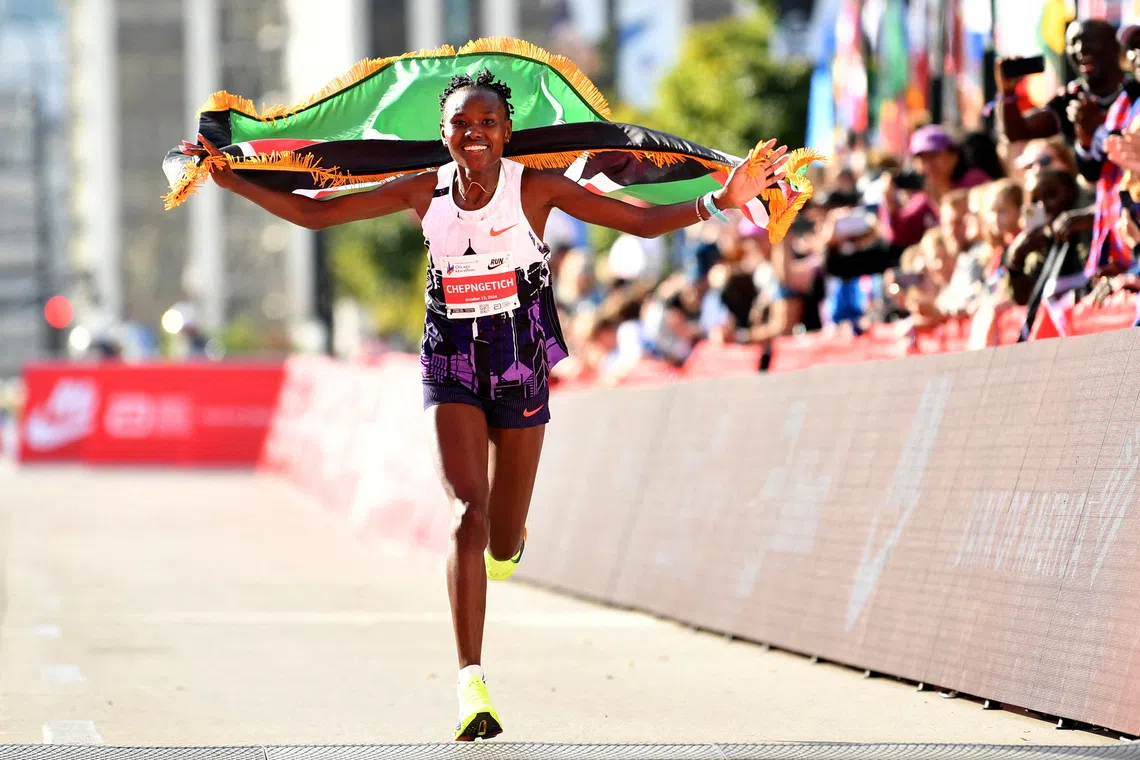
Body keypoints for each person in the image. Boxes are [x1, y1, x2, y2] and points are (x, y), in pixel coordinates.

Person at [181, 68, 789, 741]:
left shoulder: (537, 187)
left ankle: (510, 540)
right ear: (442, 134)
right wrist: (230, 179)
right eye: (461, 124)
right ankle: (471, 681)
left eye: (488, 123)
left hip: (520, 350)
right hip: (451, 353)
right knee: (467, 514)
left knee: (501, 540)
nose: (474, 134)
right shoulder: (424, 188)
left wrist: (721, 202)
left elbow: (637, 222)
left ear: (507, 133)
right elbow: (320, 213)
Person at [881, 124, 991, 249]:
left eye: (934, 156)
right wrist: (889, 203)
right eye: (922, 159)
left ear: (953, 157)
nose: (928, 165)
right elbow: (901, 233)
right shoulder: (922, 199)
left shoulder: (975, 181)